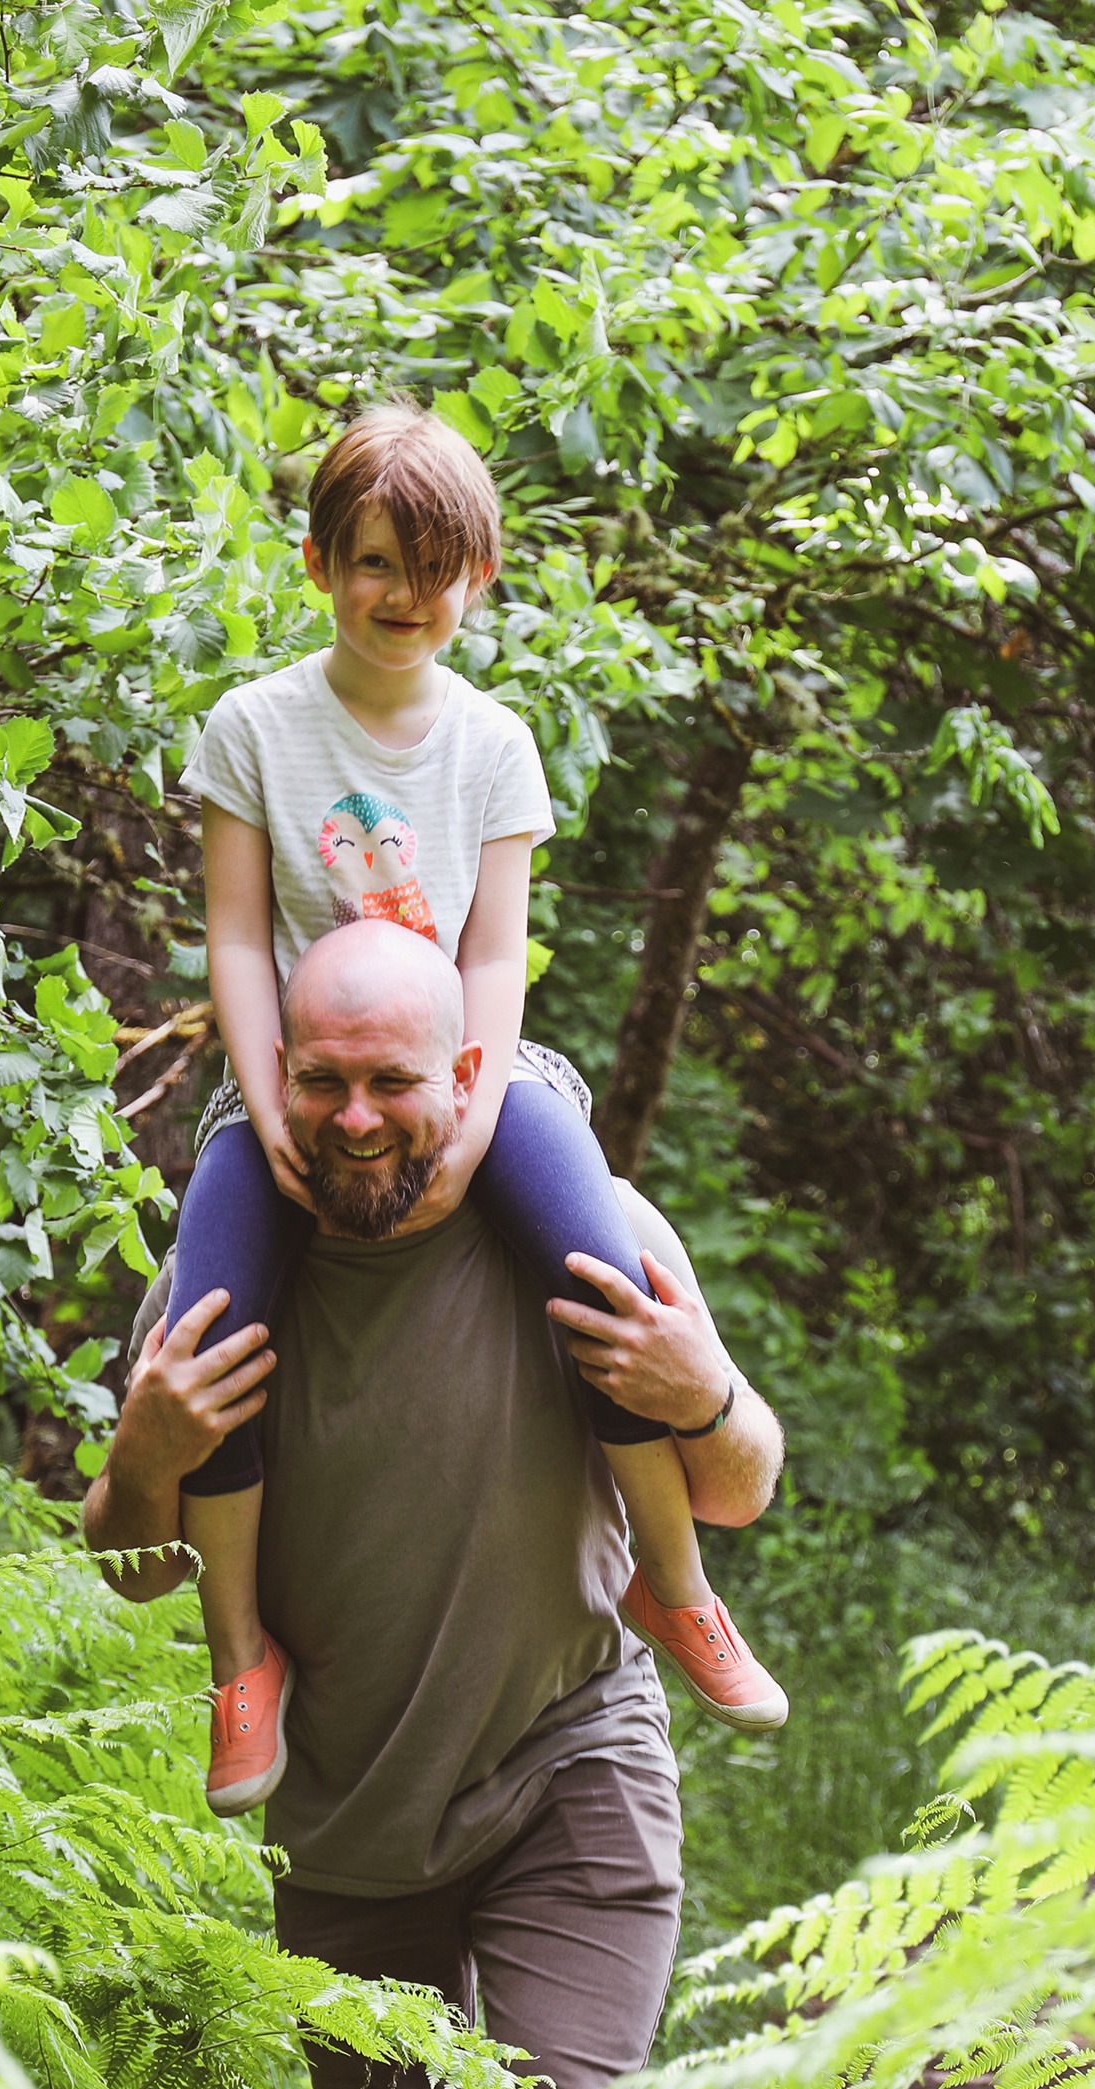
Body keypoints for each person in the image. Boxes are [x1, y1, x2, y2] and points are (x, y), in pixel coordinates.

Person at [82, 919, 786, 2089]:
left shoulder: (588, 1227)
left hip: (569, 1757)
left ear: (466, 1074)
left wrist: (703, 1387)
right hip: (347, 1813)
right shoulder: (228, 1281)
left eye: (391, 1080)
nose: (353, 1118)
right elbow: (138, 1567)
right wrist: (141, 1459)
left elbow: (741, 1483)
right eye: (322, 1081)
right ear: (279, 1079)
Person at [167, 402, 785, 1816]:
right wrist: (265, 1111)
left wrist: (469, 1103)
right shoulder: (255, 729)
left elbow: (495, 953)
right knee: (216, 1337)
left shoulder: (495, 746)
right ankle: (238, 1661)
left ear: (480, 579)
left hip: (471, 1073)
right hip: (300, 1087)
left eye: (437, 570)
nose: (406, 598)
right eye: (377, 562)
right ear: (321, 563)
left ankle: (674, 1584)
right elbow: (233, 939)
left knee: (600, 1276)